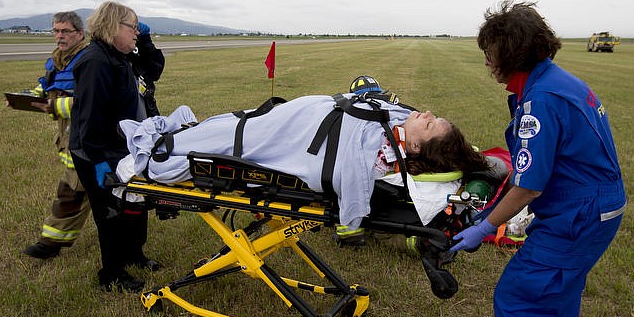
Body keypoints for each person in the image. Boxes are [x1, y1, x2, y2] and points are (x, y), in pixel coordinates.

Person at [451, 0, 626, 317]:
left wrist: (485, 226)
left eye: (489, 52)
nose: (487, 61)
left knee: (519, 298)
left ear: (508, 54)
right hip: (595, 205)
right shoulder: (554, 83)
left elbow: (529, 186)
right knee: (557, 298)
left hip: (578, 212)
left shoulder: (540, 102)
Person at [118, 92, 490, 230]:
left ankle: (155, 155)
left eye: (429, 122)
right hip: (295, 120)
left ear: (419, 149)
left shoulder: (378, 151)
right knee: (232, 125)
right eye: (430, 114)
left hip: (286, 137)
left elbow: (353, 202)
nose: (424, 113)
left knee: (230, 139)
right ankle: (180, 136)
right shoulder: (394, 121)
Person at [69, 1, 159, 292]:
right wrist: (100, 165)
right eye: (132, 27)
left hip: (123, 151)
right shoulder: (96, 62)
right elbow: (90, 122)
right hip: (99, 154)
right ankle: (111, 273)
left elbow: (153, 68)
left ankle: (134, 254)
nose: (136, 33)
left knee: (134, 204)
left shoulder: (119, 56)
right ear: (112, 26)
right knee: (109, 211)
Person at [19, 11, 90, 259]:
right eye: (56, 31)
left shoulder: (87, 59)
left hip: (87, 135)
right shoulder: (57, 59)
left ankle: (50, 243)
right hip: (70, 135)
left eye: (65, 31)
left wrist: (55, 106)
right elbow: (47, 84)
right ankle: (51, 240)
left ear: (80, 34)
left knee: (74, 189)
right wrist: (27, 98)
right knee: (78, 187)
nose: (59, 36)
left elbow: (92, 99)